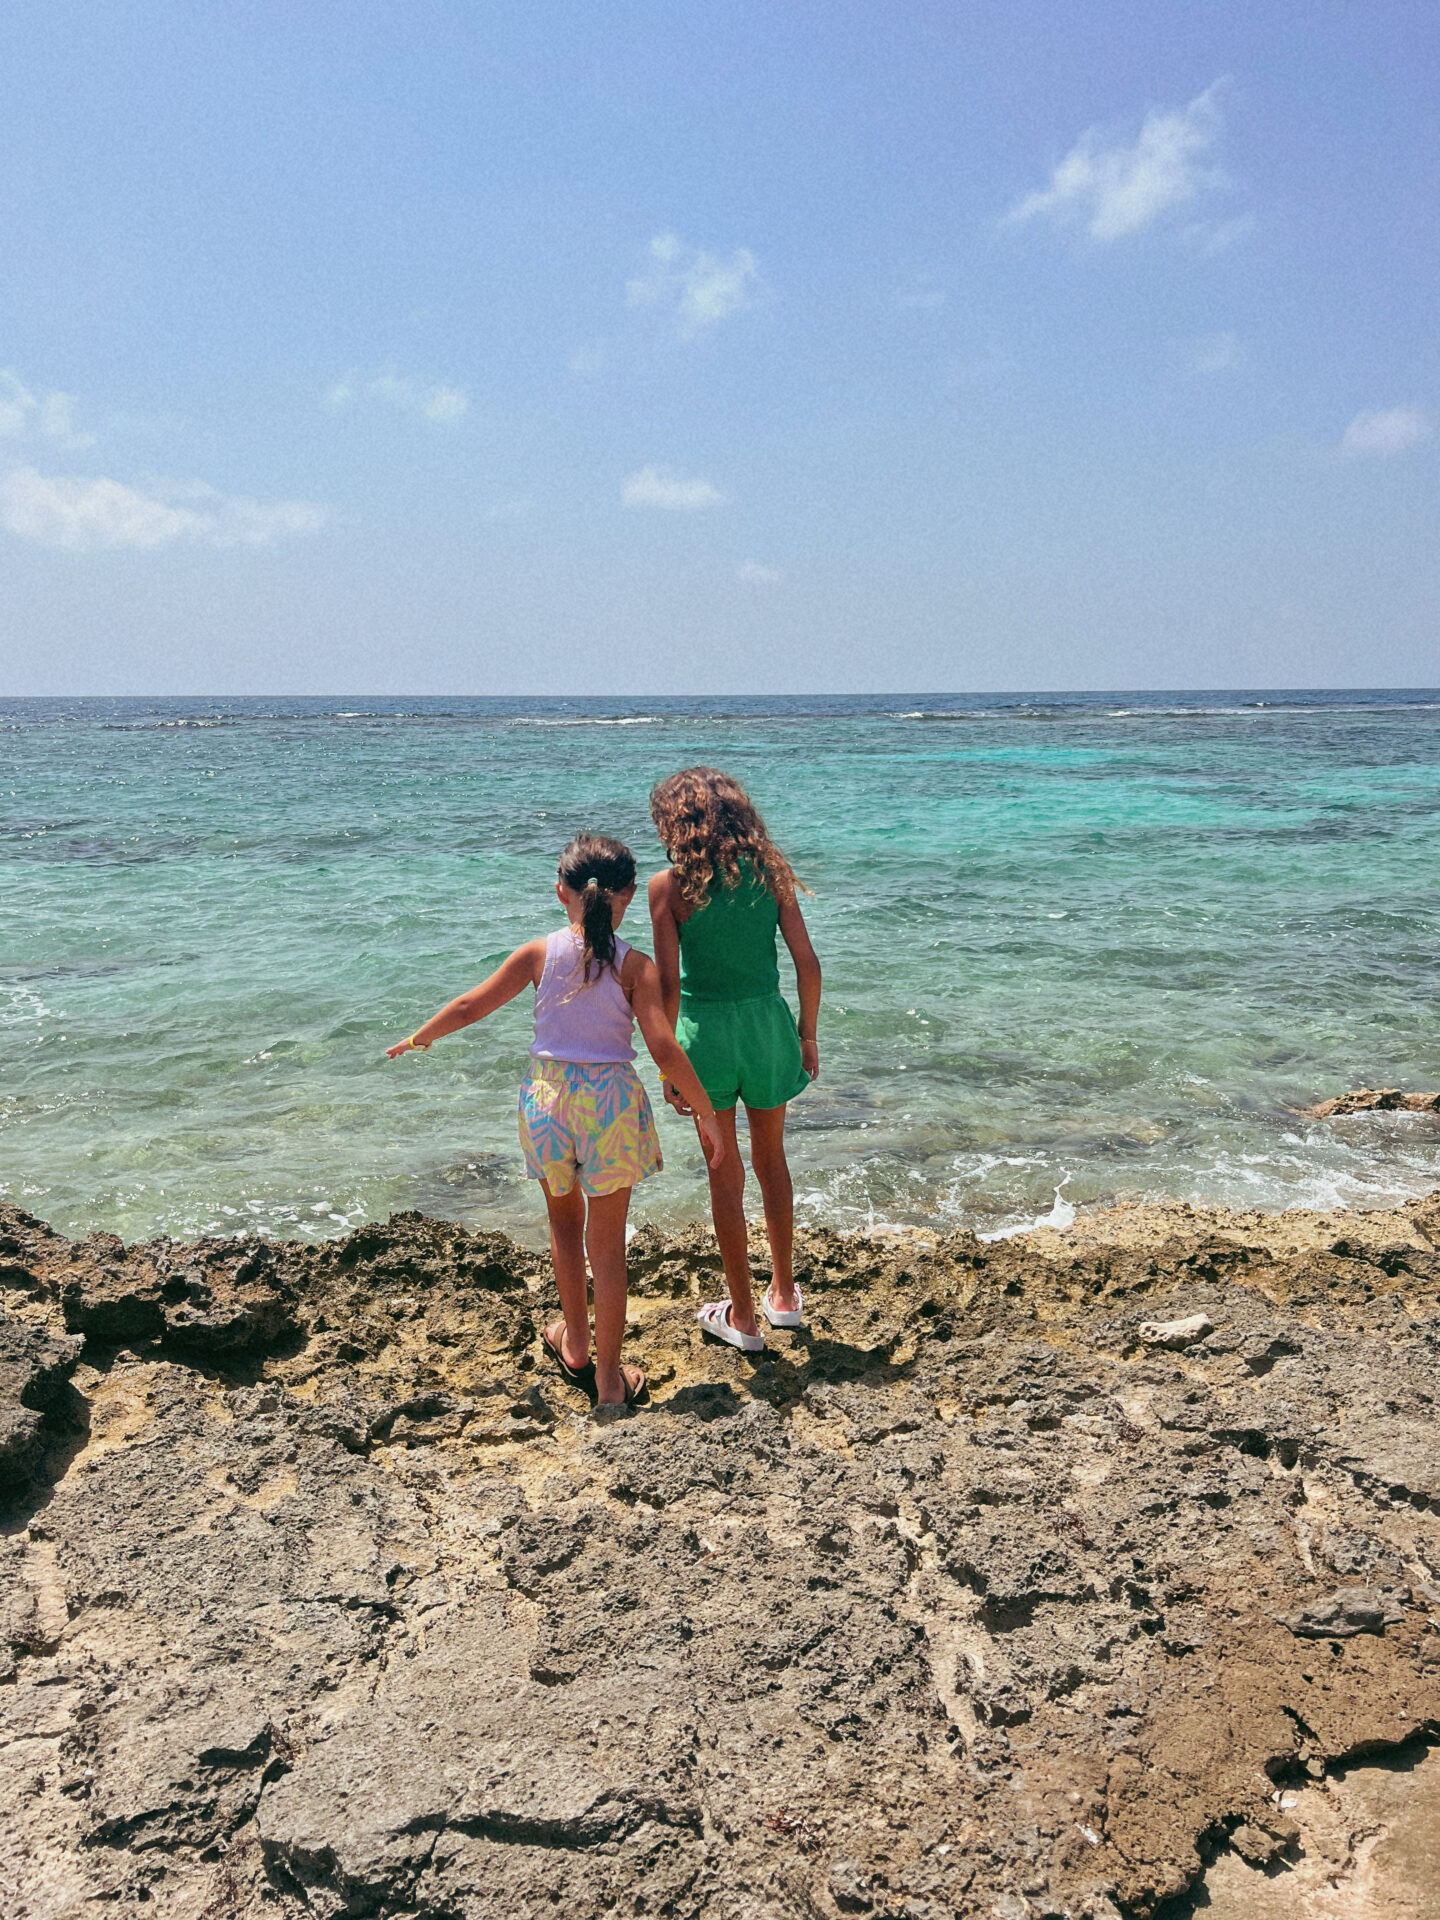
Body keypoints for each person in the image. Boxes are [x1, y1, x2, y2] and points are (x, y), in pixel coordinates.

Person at [388, 834, 724, 1407]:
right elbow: (664, 1047)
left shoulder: (538, 954)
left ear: (560, 891)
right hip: (612, 1106)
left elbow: (472, 1005)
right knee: (608, 1244)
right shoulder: (635, 967)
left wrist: (421, 1037)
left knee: (564, 1230)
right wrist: (707, 1114)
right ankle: (610, 1381)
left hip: (547, 1102)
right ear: (628, 894)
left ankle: (574, 1346)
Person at [648, 768, 821, 1353]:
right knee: (771, 1159)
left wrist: (670, 1065)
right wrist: (807, 1035)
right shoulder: (770, 874)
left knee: (725, 1171)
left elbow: (669, 987)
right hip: (766, 1027)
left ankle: (742, 1316)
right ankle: (786, 1296)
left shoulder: (667, 889)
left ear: (675, 822)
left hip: (705, 1041)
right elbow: (808, 964)